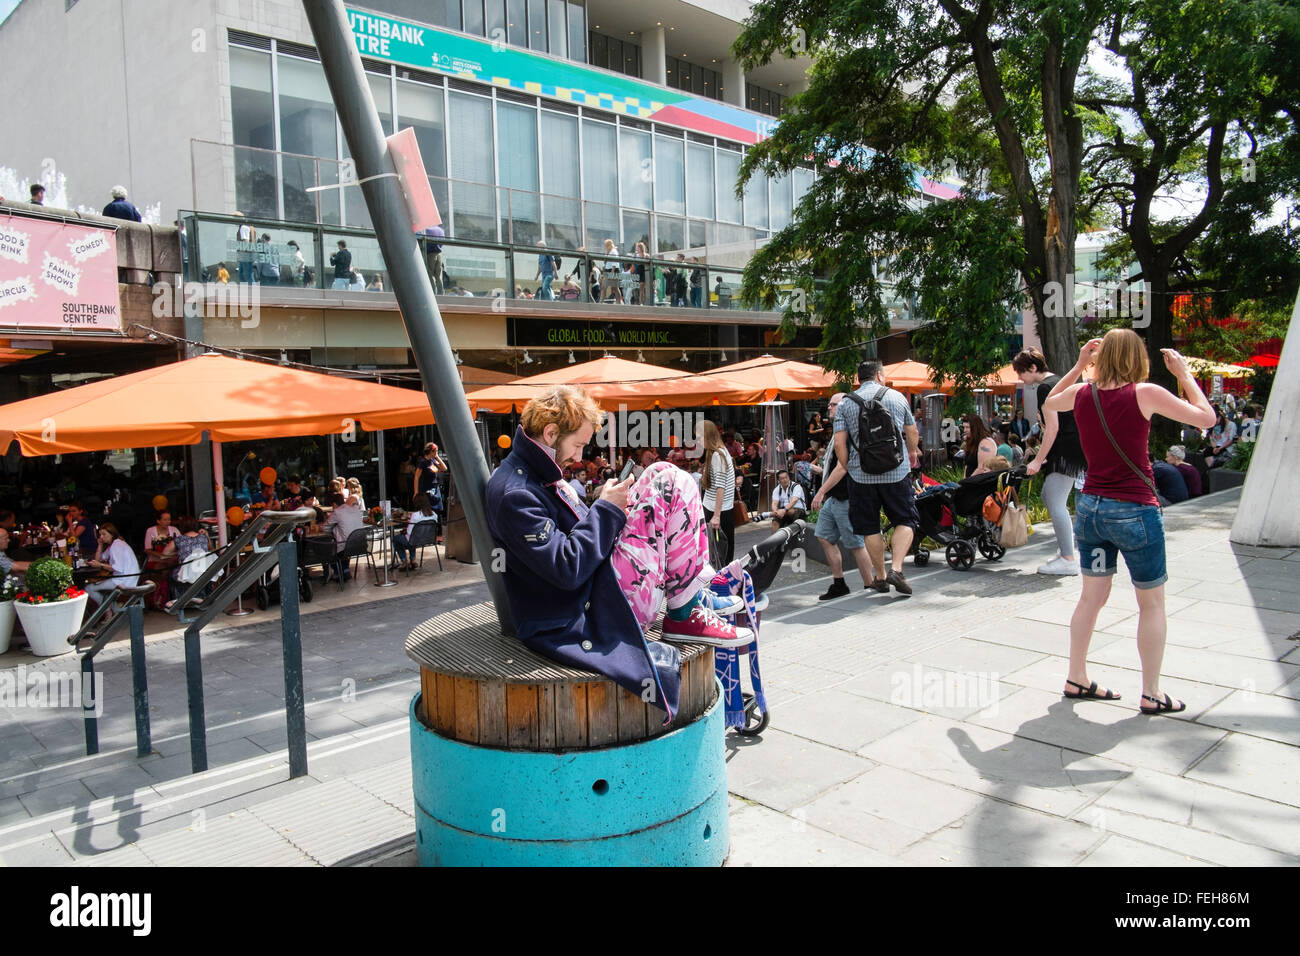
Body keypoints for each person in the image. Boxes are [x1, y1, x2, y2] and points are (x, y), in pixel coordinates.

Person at [485, 386, 753, 723]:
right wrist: (605, 510)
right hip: (585, 615)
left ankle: (691, 597)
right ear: (551, 433)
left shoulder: (531, 474)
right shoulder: (516, 493)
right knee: (670, 480)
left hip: (593, 596)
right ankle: (684, 610)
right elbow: (566, 568)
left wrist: (605, 506)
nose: (579, 456)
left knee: (660, 473)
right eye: (578, 445)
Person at [1043, 330, 1216, 715]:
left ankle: (1076, 676)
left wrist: (1078, 365)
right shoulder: (1144, 393)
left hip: (1091, 510)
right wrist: (1184, 374)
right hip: (1135, 511)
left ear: (1101, 359)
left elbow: (1051, 401)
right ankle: (1151, 692)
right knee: (1151, 603)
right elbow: (1207, 417)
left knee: (1091, 598)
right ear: (1137, 357)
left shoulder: (1082, 394)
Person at [833, 358, 922, 595]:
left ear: (857, 378)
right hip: (896, 471)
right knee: (906, 519)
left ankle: (881, 577)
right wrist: (912, 452)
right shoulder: (896, 397)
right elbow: (911, 431)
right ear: (880, 375)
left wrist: (848, 466)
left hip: (861, 476)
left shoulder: (845, 404)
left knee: (869, 526)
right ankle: (897, 568)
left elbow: (840, 444)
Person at [1014, 347, 1088, 577]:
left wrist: (1037, 460)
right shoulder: (1057, 381)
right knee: (1052, 497)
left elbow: (1052, 428)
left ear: (1033, 368)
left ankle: (1067, 558)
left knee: (1053, 498)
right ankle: (1066, 552)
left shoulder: (1046, 387)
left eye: (1021, 372)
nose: (1020, 378)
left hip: (1065, 449)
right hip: (1073, 447)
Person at [811, 392, 884, 599]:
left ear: (843, 406)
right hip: (835, 497)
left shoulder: (851, 430)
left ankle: (871, 584)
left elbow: (843, 467)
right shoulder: (839, 429)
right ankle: (839, 583)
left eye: (833, 405)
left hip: (848, 496)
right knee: (823, 536)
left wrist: (821, 491)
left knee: (855, 543)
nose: (829, 409)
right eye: (829, 405)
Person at [698, 420, 736, 565]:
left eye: (700, 436)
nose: (698, 440)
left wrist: (716, 516)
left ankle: (722, 581)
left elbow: (721, 487)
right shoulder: (716, 453)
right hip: (715, 507)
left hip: (717, 510)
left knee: (720, 552)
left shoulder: (717, 455)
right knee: (719, 551)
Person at [85, 523, 141, 608]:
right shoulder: (114, 545)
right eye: (100, 535)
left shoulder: (116, 545)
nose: (101, 537)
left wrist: (100, 565)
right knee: (96, 586)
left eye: (104, 534)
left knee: (89, 588)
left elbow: (118, 568)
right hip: (124, 578)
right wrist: (100, 545)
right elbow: (98, 559)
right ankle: (112, 608)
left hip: (124, 580)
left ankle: (107, 611)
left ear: (112, 534)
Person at [391, 493, 438, 571]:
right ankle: (413, 560)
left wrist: (404, 531)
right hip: (428, 539)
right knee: (414, 538)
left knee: (396, 539)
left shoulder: (415, 515)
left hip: (414, 540)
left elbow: (409, 533)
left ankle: (404, 561)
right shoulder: (434, 515)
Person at [425, 224, 446, 294]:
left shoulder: (426, 229)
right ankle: (441, 293)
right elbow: (442, 242)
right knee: (438, 276)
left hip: (429, 254)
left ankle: (432, 293)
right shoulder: (441, 230)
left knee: (430, 275)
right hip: (438, 254)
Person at [235, 216, 256, 284]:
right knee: (242, 275)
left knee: (247, 275)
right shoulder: (246, 226)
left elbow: (245, 241)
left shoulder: (243, 227)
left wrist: (241, 254)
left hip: (245, 256)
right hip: (245, 256)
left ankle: (253, 292)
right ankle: (246, 292)